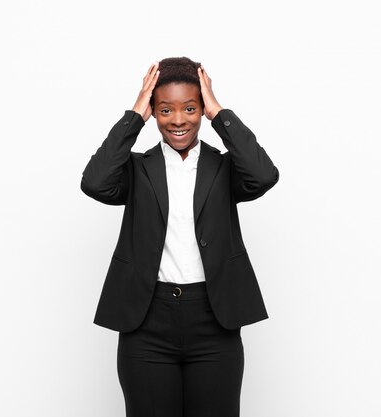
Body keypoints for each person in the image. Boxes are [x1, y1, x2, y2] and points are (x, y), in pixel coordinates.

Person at [80, 57, 279, 417]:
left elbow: (263, 175)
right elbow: (95, 182)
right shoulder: (138, 169)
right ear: (154, 113)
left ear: (201, 109)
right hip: (147, 323)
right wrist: (134, 115)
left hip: (213, 320)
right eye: (165, 109)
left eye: (190, 107)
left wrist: (219, 112)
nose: (178, 119)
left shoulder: (223, 167)